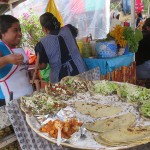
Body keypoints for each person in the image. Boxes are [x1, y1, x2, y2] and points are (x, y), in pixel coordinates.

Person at [35, 12, 86, 83]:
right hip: (80, 70)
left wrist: (36, 65)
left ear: (44, 28)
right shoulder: (69, 28)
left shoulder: (42, 44)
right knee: (83, 91)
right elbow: (76, 32)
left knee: (63, 93)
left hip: (60, 77)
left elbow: (42, 66)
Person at [0, 15, 33, 105]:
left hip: (27, 95)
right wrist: (6, 59)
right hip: (11, 101)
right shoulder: (1, 47)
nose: (20, 34)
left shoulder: (17, 48)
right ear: (3, 33)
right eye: (15, 30)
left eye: (20, 30)